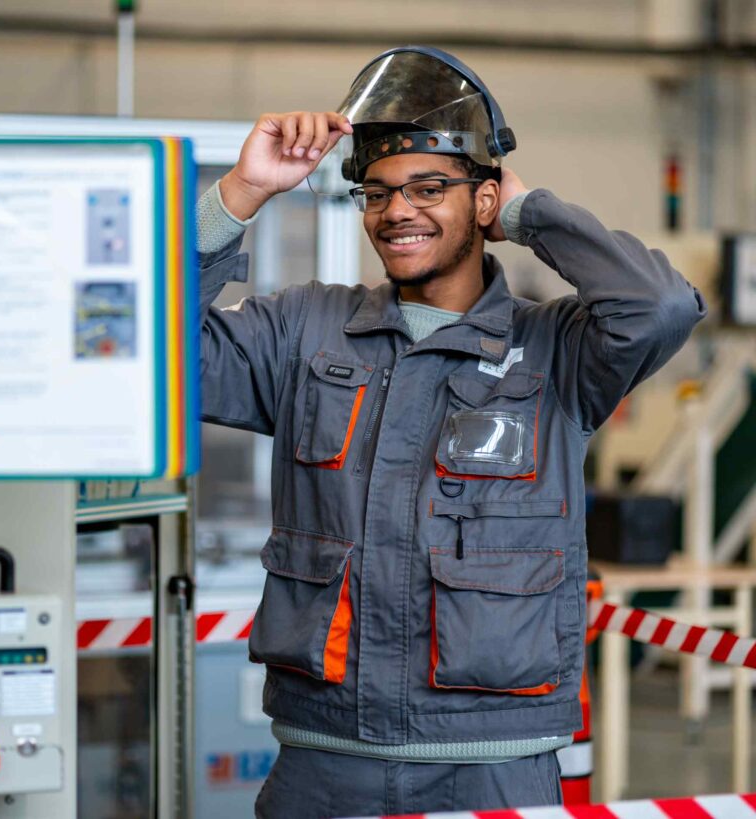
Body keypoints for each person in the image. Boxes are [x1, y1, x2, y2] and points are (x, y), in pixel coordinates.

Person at [195, 47, 706, 817]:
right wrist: (242, 192)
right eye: (377, 193)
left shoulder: (560, 351)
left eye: (430, 188)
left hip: (494, 769)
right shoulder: (305, 330)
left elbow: (660, 307)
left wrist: (530, 214)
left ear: (485, 200)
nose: (397, 211)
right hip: (325, 762)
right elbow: (153, 348)